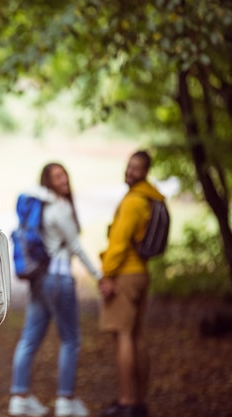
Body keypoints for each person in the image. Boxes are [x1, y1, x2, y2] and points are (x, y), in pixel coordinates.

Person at [9, 163, 102, 417]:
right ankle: (65, 400)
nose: (63, 180)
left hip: (40, 281)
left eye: (64, 175)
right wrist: (99, 277)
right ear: (48, 181)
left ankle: (19, 397)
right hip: (59, 279)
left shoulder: (41, 205)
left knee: (30, 339)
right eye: (57, 176)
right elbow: (76, 247)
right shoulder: (59, 208)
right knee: (70, 340)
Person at [97, 150, 164, 417]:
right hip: (141, 274)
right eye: (129, 166)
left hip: (125, 274)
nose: (130, 172)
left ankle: (127, 402)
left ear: (145, 171)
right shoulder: (151, 198)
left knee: (123, 335)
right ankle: (138, 400)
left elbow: (119, 242)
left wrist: (107, 274)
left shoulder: (134, 201)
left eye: (136, 168)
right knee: (136, 335)